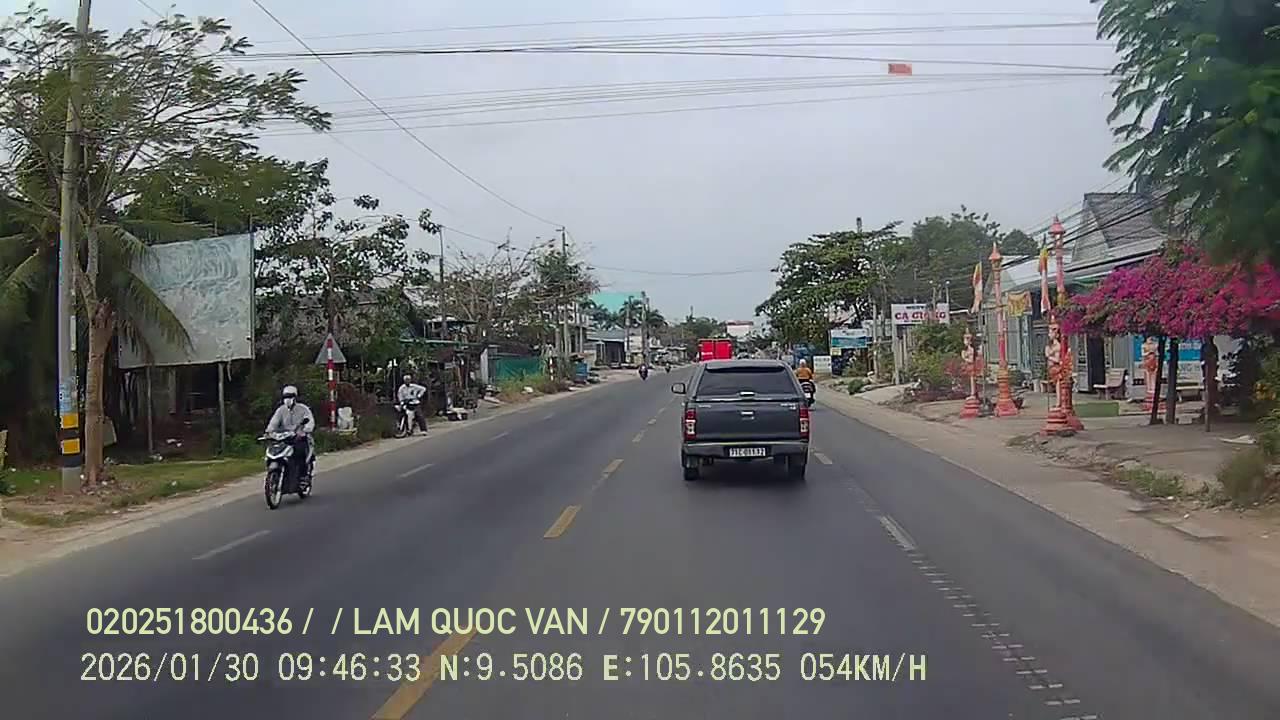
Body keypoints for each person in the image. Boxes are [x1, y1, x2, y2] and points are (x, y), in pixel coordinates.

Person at [264, 385, 315, 481]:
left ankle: (302, 476)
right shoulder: (281, 410)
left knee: (300, 453)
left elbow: (310, 422)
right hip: (284, 438)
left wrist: (304, 430)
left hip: (300, 438)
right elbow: (273, 423)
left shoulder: (303, 409)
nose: (287, 399)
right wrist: (269, 432)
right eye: (285, 397)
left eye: (290, 396)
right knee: (274, 450)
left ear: (295, 397)